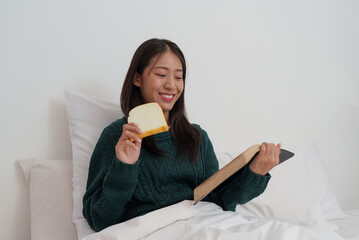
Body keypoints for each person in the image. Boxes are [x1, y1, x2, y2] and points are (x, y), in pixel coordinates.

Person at [82, 38, 281, 232]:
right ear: (137, 78)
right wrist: (124, 166)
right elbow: (100, 220)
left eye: (178, 77)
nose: (171, 85)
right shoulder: (117, 137)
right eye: (161, 74)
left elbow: (219, 200)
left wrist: (255, 172)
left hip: (201, 225)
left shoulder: (197, 137)